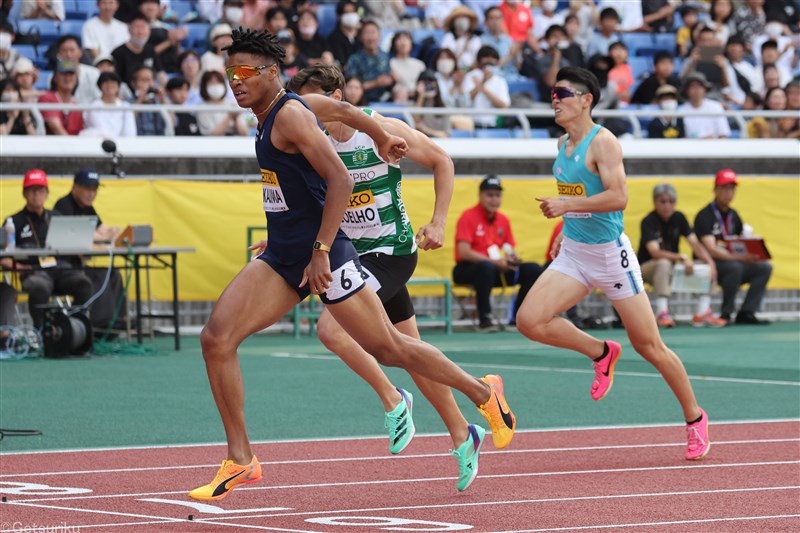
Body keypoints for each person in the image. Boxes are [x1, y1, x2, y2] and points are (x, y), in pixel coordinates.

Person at [189, 28, 516, 502]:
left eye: (244, 72)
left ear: (271, 73)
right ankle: (241, 460)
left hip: (337, 254)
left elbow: (339, 179)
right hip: (284, 255)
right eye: (229, 72)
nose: (234, 81)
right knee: (216, 339)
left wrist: (321, 249)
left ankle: (485, 395)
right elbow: (343, 111)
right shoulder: (283, 110)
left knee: (390, 349)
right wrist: (378, 131)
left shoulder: (291, 116)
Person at [288, 63, 491, 491]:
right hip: (351, 255)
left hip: (393, 253)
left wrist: (437, 223)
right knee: (411, 352)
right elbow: (309, 205)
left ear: (337, 97)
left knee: (331, 328)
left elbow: (442, 161)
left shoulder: (380, 130)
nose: (305, 110)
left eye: (313, 101)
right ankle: (463, 434)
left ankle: (393, 399)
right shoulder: (314, 143)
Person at [516, 66, 711, 462]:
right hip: (574, 252)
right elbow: (574, 203)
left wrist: (567, 205)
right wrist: (562, 236)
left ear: (586, 100)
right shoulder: (561, 144)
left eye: (562, 93)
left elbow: (618, 197)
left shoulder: (603, 142)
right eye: (552, 94)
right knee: (529, 321)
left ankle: (695, 419)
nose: (554, 99)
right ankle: (601, 353)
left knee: (649, 346)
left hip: (610, 257)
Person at [6, 170, 94, 332]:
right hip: (33, 272)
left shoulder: (57, 217)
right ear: (24, 193)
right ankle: (41, 333)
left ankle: (74, 329)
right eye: (32, 190)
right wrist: (19, 267)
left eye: (40, 190)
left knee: (84, 284)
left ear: (46, 194)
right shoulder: (14, 221)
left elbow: (73, 246)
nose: (36, 195)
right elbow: (2, 254)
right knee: (39, 286)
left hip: (61, 269)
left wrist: (81, 249)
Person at [453, 175, 543, 331]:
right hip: (468, 269)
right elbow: (464, 251)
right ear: (480, 195)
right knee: (485, 267)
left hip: (496, 269)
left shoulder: (503, 220)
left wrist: (511, 259)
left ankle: (518, 319)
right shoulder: (468, 217)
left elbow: (509, 248)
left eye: (497, 195)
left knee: (533, 269)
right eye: (489, 195)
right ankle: (485, 320)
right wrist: (494, 262)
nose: (494, 200)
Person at [637, 183, 726, 328]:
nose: (667, 206)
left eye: (671, 202)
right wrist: (681, 258)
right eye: (663, 201)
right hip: (648, 269)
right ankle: (662, 312)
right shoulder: (648, 221)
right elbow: (655, 252)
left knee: (706, 267)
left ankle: (702, 313)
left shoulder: (679, 218)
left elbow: (695, 244)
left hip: (672, 268)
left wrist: (710, 263)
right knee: (663, 263)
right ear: (655, 202)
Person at [53, 169, 128, 333]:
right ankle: (100, 325)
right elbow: (77, 234)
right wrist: (101, 235)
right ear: (75, 187)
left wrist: (112, 231)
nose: (91, 193)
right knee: (100, 275)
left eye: (94, 189)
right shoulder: (63, 205)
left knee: (113, 274)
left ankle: (118, 322)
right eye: (87, 188)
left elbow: (103, 230)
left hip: (78, 265)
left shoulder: (88, 208)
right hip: (63, 267)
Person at [693, 169, 772, 325]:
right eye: (725, 188)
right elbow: (711, 249)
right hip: (710, 263)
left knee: (764, 267)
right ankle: (726, 313)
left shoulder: (734, 215)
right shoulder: (705, 215)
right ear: (715, 189)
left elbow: (740, 241)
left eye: (732, 188)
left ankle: (747, 312)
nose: (729, 193)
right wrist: (740, 258)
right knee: (734, 267)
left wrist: (752, 248)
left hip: (732, 260)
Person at [83, 71, 138, 138]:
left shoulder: (125, 106)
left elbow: (130, 132)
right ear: (100, 86)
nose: (109, 85)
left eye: (113, 82)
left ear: (118, 86)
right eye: (106, 82)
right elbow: (100, 128)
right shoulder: (93, 106)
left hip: (124, 145)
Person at [38, 59, 85, 136]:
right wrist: (72, 146)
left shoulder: (77, 106)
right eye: (64, 74)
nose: (68, 78)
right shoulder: (47, 98)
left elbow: (80, 133)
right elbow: (55, 127)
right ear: (55, 78)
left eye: (71, 74)